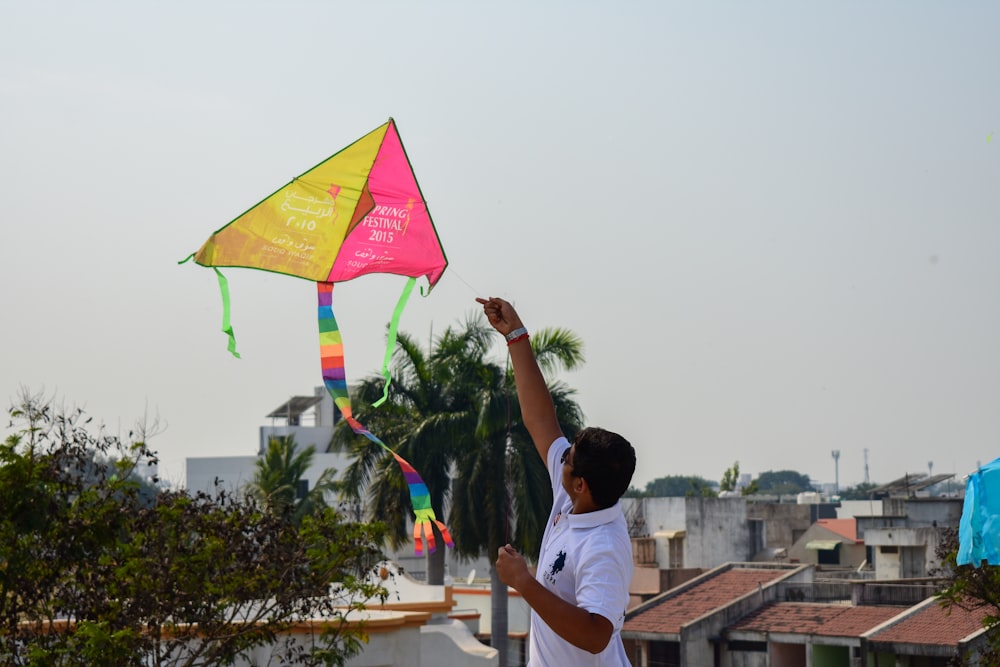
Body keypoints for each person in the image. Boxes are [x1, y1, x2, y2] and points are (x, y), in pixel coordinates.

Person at [476, 296, 637, 666]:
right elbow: (541, 421)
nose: (561, 454)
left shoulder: (604, 546)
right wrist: (515, 335)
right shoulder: (578, 498)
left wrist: (524, 582)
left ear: (581, 483)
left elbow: (597, 636)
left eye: (568, 458)